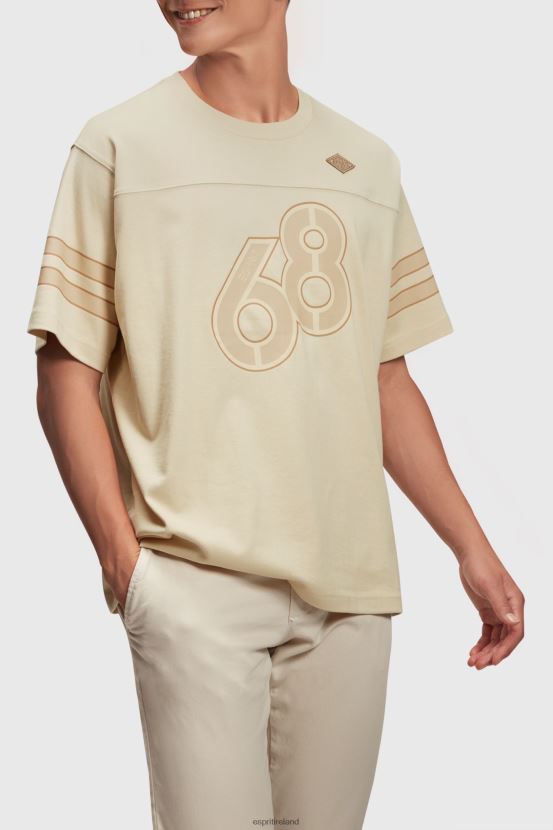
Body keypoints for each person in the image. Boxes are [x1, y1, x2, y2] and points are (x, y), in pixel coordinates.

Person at [25, 1, 525, 828]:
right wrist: (124, 565)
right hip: (191, 584)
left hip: (349, 596)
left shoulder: (366, 164)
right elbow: (66, 366)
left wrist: (473, 549)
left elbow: (382, 376)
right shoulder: (118, 146)